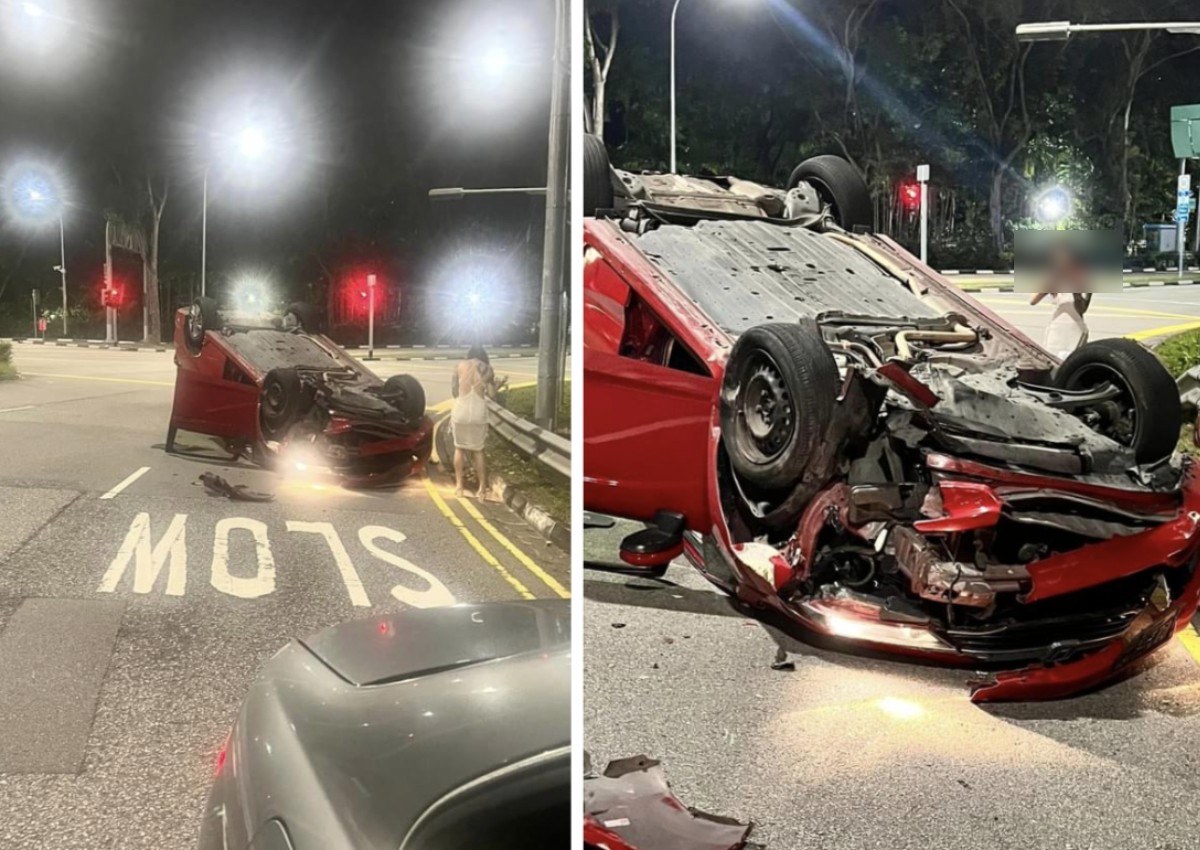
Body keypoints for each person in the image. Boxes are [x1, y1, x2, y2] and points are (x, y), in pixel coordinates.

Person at [450, 344, 505, 499]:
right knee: (478, 450)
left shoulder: (458, 366)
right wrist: (496, 385)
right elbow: (492, 395)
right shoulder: (487, 368)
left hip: (461, 410)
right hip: (478, 412)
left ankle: (459, 487)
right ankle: (482, 488)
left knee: (459, 448)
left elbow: (454, 392)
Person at [1030, 243, 1092, 358]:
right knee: (1053, 365)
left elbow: (1082, 309)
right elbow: (1033, 301)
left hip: (1076, 331)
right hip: (1056, 330)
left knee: (1073, 367)